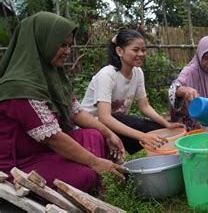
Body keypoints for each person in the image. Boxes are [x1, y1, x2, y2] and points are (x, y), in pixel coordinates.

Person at [0, 12, 127, 194]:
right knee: (84, 175)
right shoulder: (19, 87)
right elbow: (54, 139)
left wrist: (108, 133)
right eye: (62, 45)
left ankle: (99, 180)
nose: (68, 51)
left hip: (41, 149)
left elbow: (76, 111)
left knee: (93, 135)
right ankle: (96, 178)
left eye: (69, 45)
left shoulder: (53, 75)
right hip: (20, 161)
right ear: (42, 43)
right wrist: (95, 162)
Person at [81, 29, 183, 155]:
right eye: (135, 50)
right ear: (119, 51)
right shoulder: (107, 75)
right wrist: (142, 136)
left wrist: (166, 124)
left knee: (157, 130)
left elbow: (144, 106)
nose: (141, 54)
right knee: (139, 127)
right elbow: (104, 117)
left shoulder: (137, 72)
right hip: (93, 124)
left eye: (143, 50)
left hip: (115, 122)